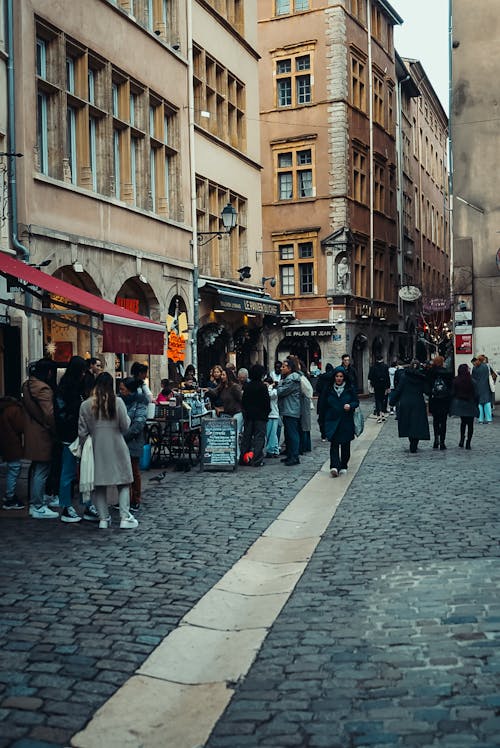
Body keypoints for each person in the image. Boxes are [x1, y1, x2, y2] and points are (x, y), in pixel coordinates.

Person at [78, 372, 138, 530]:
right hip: (117, 444)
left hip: (97, 446)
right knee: (123, 481)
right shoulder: (117, 402)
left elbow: (82, 432)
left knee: (99, 485)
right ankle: (125, 517)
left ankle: (103, 518)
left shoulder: (85, 405)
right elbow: (125, 426)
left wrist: (85, 449)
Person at [22, 358, 59, 519]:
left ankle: (37, 501)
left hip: (32, 431)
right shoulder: (43, 389)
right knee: (42, 469)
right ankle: (37, 505)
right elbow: (49, 414)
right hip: (42, 433)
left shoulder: (28, 384)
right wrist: (55, 429)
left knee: (37, 468)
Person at [55, 355, 90, 523]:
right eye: (82, 371)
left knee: (84, 471)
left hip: (78, 434)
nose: (84, 374)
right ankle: (66, 506)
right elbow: (62, 414)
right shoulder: (66, 390)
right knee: (68, 471)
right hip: (70, 435)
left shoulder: (75, 387)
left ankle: (86, 504)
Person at [118, 377, 148, 511]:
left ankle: (135, 498)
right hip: (119, 439)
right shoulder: (119, 400)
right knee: (121, 471)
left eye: (122, 389)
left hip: (133, 440)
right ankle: (122, 499)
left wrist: (125, 436)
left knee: (134, 470)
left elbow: (139, 423)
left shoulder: (140, 401)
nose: (120, 391)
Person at [324, 367, 359, 477]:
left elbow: (356, 402)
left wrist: (350, 405)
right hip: (332, 420)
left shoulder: (349, 388)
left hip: (346, 420)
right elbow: (323, 405)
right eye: (337, 376)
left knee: (345, 445)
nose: (339, 378)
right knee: (334, 444)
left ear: (344, 377)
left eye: (341, 376)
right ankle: (334, 466)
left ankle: (343, 465)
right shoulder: (329, 389)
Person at [389, 359, 430, 453]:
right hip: (418, 402)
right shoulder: (421, 378)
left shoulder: (404, 377)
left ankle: (412, 442)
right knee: (417, 424)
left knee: (408, 423)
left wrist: (392, 401)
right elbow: (426, 390)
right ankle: (415, 443)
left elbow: (399, 390)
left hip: (406, 402)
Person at [205, 367, 243, 457]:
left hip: (237, 412)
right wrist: (207, 390)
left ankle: (236, 455)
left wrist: (223, 409)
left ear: (228, 376)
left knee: (235, 434)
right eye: (221, 374)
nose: (221, 377)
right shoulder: (222, 386)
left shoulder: (234, 387)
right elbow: (215, 392)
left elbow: (241, 400)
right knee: (227, 434)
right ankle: (228, 454)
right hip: (227, 413)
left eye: (223, 375)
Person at [240, 364, 270, 467]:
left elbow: (243, 401)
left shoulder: (247, 386)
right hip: (260, 416)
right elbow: (266, 402)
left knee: (246, 437)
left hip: (249, 416)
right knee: (259, 438)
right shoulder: (262, 386)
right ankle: (257, 460)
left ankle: (243, 458)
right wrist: (266, 413)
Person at [0, 396, 25, 510]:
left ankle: (9, 496)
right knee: (14, 468)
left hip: (6, 442)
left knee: (12, 468)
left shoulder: (4, 409)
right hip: (12, 442)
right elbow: (20, 426)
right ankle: (9, 498)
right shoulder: (14, 409)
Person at [276, 358, 301, 466]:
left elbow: (281, 392)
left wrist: (279, 384)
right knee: (288, 434)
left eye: (283, 367)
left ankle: (294, 456)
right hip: (287, 409)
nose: (281, 368)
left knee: (292, 433)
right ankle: (290, 454)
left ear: (289, 369)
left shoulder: (291, 380)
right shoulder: (288, 379)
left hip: (291, 409)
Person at [427, 355, 453, 450]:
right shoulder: (448, 373)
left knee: (436, 421)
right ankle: (442, 442)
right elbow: (451, 387)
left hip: (434, 399)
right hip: (444, 400)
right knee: (443, 421)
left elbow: (427, 387)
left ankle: (436, 439)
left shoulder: (431, 372)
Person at [450, 363, 478, 449]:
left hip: (461, 404)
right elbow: (476, 394)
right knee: (470, 424)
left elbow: (453, 393)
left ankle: (462, 439)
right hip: (470, 404)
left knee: (463, 423)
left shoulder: (456, 380)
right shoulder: (472, 381)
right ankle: (468, 442)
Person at [368, 355, 390, 423]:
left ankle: (378, 416)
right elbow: (387, 377)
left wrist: (372, 385)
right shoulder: (386, 366)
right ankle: (383, 414)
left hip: (376, 386)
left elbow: (370, 377)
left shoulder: (373, 367)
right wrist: (388, 386)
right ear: (382, 359)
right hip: (384, 386)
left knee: (377, 400)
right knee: (384, 400)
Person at [471, 355, 492, 424]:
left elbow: (473, 378)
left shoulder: (474, 368)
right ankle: (489, 419)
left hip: (477, 387)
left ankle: (481, 419)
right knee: (487, 403)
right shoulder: (486, 367)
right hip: (486, 386)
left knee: (479, 404)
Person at [316, 363, 334, 440]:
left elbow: (318, 388)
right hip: (331, 400)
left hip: (322, 400)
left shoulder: (321, 377)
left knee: (322, 418)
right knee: (331, 417)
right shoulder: (333, 378)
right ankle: (330, 433)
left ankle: (323, 434)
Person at [264, 375, 280, 458]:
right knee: (271, 434)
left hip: (274, 414)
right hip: (269, 415)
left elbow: (270, 395)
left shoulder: (274, 392)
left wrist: (270, 386)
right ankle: (275, 450)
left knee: (272, 434)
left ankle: (271, 450)